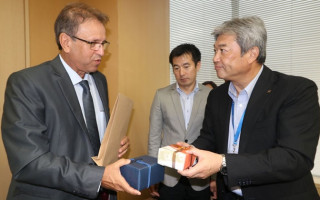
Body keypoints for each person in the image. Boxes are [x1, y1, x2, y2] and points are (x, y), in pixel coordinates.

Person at [1, 2, 140, 200]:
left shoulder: (99, 80)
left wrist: (111, 143)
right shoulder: (26, 83)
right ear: (66, 42)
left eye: (103, 43)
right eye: (93, 43)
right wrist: (99, 177)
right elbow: (30, 162)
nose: (101, 51)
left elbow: (87, 135)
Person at [178, 16, 320, 200]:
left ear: (252, 53)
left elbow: (293, 158)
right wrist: (189, 151)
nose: (215, 58)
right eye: (215, 51)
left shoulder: (296, 90)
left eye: (222, 50)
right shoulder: (217, 96)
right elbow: (209, 138)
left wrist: (223, 163)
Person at [148, 43, 213, 200]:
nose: (181, 73)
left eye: (186, 66)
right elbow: (154, 137)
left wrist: (215, 177)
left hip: (200, 173)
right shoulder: (161, 95)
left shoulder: (211, 95)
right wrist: (152, 173)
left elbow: (215, 137)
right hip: (169, 174)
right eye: (176, 68)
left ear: (198, 65)